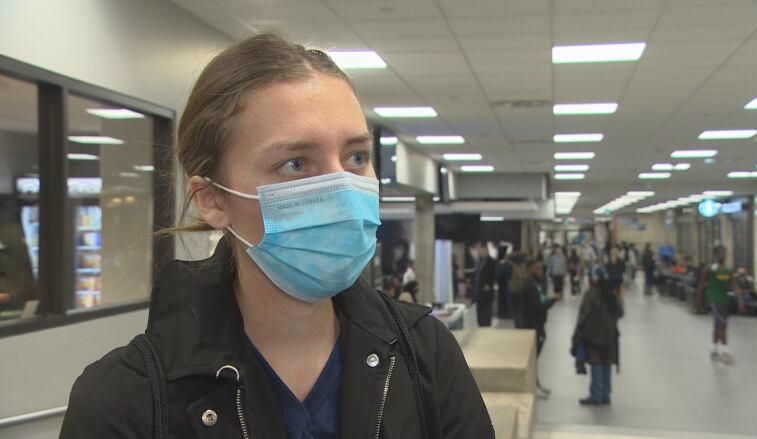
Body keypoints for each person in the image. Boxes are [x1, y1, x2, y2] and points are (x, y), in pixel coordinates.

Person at [59, 33, 494, 439]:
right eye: (296, 164)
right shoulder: (124, 400)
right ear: (212, 199)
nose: (342, 190)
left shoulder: (424, 355)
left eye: (356, 156)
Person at [572, 267, 622, 406]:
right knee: (606, 363)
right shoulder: (611, 293)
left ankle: (596, 395)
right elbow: (620, 312)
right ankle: (606, 394)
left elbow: (583, 314)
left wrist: (577, 333)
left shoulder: (591, 294)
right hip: (610, 335)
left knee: (596, 363)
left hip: (594, 336)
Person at [517, 259, 562, 397]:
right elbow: (539, 305)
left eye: (541, 269)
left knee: (534, 358)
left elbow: (541, 300)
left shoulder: (536, 284)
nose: (540, 271)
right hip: (532, 326)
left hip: (537, 324)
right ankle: (532, 387)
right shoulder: (529, 286)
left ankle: (535, 384)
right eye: (537, 269)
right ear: (530, 269)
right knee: (531, 358)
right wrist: (554, 299)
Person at [697, 246, 744, 364]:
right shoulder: (710, 269)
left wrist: (740, 300)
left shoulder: (728, 270)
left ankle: (714, 349)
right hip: (714, 301)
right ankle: (725, 351)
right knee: (722, 324)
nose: (722, 255)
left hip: (725, 301)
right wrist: (699, 301)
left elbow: (734, 285)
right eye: (719, 253)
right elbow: (701, 285)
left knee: (718, 325)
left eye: (724, 253)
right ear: (715, 254)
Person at [474, 242, 497, 327]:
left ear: (486, 250)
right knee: (479, 309)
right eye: (480, 250)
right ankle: (480, 323)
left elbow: (493, 275)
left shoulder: (491, 262)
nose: (481, 252)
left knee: (486, 309)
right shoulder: (478, 261)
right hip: (478, 289)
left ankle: (486, 323)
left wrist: (489, 284)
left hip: (487, 290)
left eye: (483, 250)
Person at [495, 245, 513, 319]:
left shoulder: (500, 264)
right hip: (506, 285)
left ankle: (503, 313)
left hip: (503, 285)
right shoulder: (505, 264)